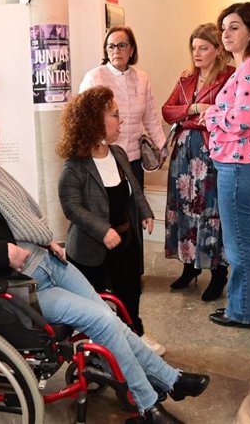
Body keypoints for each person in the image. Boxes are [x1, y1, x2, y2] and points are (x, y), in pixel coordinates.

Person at [0, 101, 209, 424]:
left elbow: (14, 221)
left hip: (46, 260)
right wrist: (3, 252)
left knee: (108, 314)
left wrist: (43, 239)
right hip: (19, 284)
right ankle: (147, 405)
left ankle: (171, 380)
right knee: (102, 321)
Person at [57, 86, 165, 356]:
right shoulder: (75, 166)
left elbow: (133, 188)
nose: (121, 120)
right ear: (95, 122)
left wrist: (145, 211)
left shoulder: (118, 153)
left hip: (125, 240)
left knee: (130, 292)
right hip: (89, 249)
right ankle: (97, 345)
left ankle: (135, 332)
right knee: (93, 301)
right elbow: (72, 208)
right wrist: (102, 230)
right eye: (115, 114)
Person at [202, 2, 250, 328]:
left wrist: (210, 115)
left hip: (241, 163)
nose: (226, 33)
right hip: (245, 161)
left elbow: (242, 119)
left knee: (240, 244)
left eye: (234, 26)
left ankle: (243, 312)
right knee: (243, 241)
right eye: (224, 27)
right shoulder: (249, 67)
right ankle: (241, 306)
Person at [161, 24, 235, 301]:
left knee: (210, 212)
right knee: (184, 211)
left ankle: (218, 273)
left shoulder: (229, 78)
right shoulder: (186, 78)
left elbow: (223, 114)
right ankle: (190, 266)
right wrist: (193, 109)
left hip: (210, 157)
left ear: (218, 50)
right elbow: (168, 112)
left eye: (203, 47)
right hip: (183, 158)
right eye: (194, 48)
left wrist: (192, 118)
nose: (197, 53)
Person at [79, 25, 166, 188]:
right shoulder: (94, 77)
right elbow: (83, 121)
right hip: (105, 156)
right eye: (111, 46)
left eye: (122, 45)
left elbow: (151, 118)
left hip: (134, 158)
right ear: (106, 50)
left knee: (135, 207)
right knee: (111, 208)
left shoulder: (142, 78)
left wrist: (163, 147)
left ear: (131, 50)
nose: (116, 51)